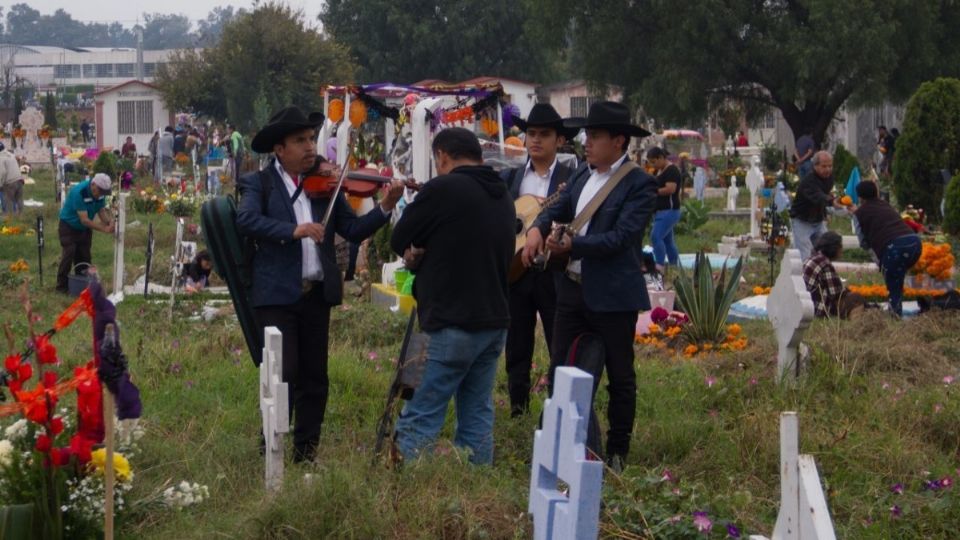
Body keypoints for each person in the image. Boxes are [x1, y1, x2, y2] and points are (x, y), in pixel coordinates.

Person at [237, 106, 404, 463]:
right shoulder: (259, 184)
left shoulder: (325, 186)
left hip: (315, 295)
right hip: (276, 296)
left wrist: (385, 207)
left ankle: (306, 453)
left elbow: (353, 230)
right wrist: (294, 230)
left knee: (316, 378)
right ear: (279, 149)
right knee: (282, 376)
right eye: (300, 140)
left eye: (312, 138)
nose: (310, 147)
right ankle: (272, 451)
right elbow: (247, 220)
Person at [522, 101, 657, 471]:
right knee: (560, 371)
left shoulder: (639, 183)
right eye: (586, 135)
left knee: (620, 376)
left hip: (612, 295)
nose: (587, 142)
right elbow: (557, 207)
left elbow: (622, 238)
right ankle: (565, 447)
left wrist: (574, 245)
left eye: (595, 136)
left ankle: (616, 452)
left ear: (618, 141)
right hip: (571, 290)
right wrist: (537, 228)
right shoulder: (582, 174)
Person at [389, 127, 514, 465]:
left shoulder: (444, 187)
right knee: (476, 414)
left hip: (451, 321)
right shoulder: (500, 191)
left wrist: (417, 252)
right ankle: (476, 489)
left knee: (422, 412)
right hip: (493, 320)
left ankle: (408, 496)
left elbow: (400, 236)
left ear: (442, 156)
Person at [499, 103, 578, 417]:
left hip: (555, 271)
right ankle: (518, 410)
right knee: (517, 343)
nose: (536, 140)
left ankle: (557, 410)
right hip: (517, 270)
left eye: (544, 134)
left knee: (559, 342)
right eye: (531, 133)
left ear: (559, 140)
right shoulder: (511, 177)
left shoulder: (572, 178)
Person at [853, 181, 922, 317]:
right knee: (903, 277)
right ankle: (925, 305)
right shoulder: (885, 205)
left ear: (859, 197)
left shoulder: (859, 214)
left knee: (894, 287)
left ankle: (895, 317)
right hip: (915, 243)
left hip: (894, 248)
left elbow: (862, 241)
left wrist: (878, 256)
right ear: (877, 192)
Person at [56, 173, 115, 294]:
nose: (100, 195)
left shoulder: (100, 194)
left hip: (83, 229)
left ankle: (81, 285)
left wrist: (108, 222)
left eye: (103, 193)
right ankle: (61, 287)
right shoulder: (80, 192)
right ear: (93, 184)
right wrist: (104, 229)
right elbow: (85, 220)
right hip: (68, 226)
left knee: (84, 256)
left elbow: (101, 210)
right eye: (99, 191)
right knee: (69, 253)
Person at [789, 151, 846, 260]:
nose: (828, 169)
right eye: (824, 166)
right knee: (804, 254)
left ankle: (823, 273)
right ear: (815, 166)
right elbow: (818, 196)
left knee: (827, 249)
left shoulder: (829, 177)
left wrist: (827, 210)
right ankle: (804, 276)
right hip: (802, 220)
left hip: (818, 220)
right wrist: (832, 202)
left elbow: (825, 193)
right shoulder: (808, 181)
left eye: (830, 166)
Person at [801, 232, 867, 319]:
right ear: (833, 248)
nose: (842, 250)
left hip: (806, 302)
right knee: (856, 298)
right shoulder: (825, 264)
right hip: (818, 308)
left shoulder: (814, 258)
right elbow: (836, 293)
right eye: (840, 247)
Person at [647, 146, 682, 269]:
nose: (653, 165)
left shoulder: (671, 170)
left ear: (661, 158)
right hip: (661, 211)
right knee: (667, 241)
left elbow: (670, 189)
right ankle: (674, 266)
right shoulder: (659, 171)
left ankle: (659, 265)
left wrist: (654, 192)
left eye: (654, 161)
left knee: (655, 237)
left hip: (669, 210)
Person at [0, 142, 24, 216]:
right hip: (19, 180)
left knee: (8, 203)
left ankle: (9, 219)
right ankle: (21, 216)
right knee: (19, 200)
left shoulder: (1, 157)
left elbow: (2, 172)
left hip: (10, 183)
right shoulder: (11, 155)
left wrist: (0, 184)